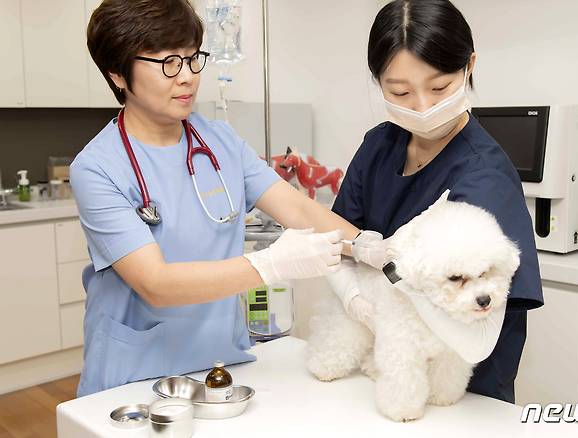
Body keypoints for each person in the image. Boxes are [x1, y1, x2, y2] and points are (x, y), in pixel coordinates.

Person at [73, 0, 378, 397]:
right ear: (117, 74)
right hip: (134, 376)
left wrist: (370, 247)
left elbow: (298, 208)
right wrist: (270, 264)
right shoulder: (97, 168)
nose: (187, 77)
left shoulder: (219, 142)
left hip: (220, 363)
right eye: (168, 63)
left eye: (192, 58)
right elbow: (156, 284)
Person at [328, 0, 544, 403]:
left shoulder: (483, 175)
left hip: (463, 385)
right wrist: (352, 296)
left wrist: (393, 293)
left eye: (440, 87)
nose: (423, 106)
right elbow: (339, 238)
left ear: (470, 66)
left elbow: (477, 329)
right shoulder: (380, 143)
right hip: (388, 368)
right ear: (378, 82)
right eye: (401, 91)